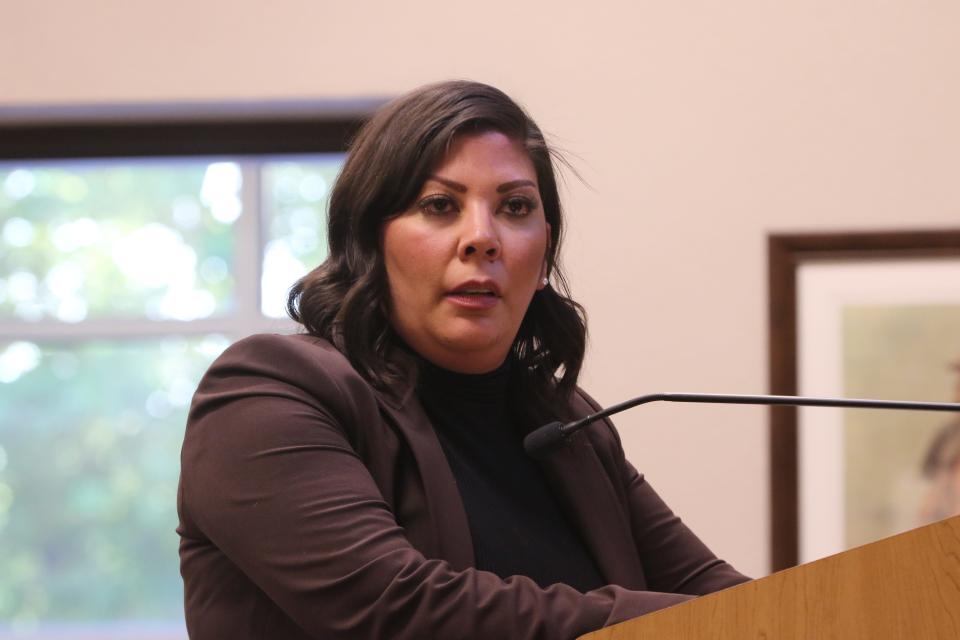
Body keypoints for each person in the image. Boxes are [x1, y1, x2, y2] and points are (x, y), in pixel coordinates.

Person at [177, 80, 749, 639]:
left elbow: (728, 599)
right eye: (439, 205)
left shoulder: (568, 425)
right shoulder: (266, 393)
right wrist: (674, 625)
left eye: (515, 207)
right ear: (368, 240)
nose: (482, 238)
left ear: (545, 251)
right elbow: (397, 609)